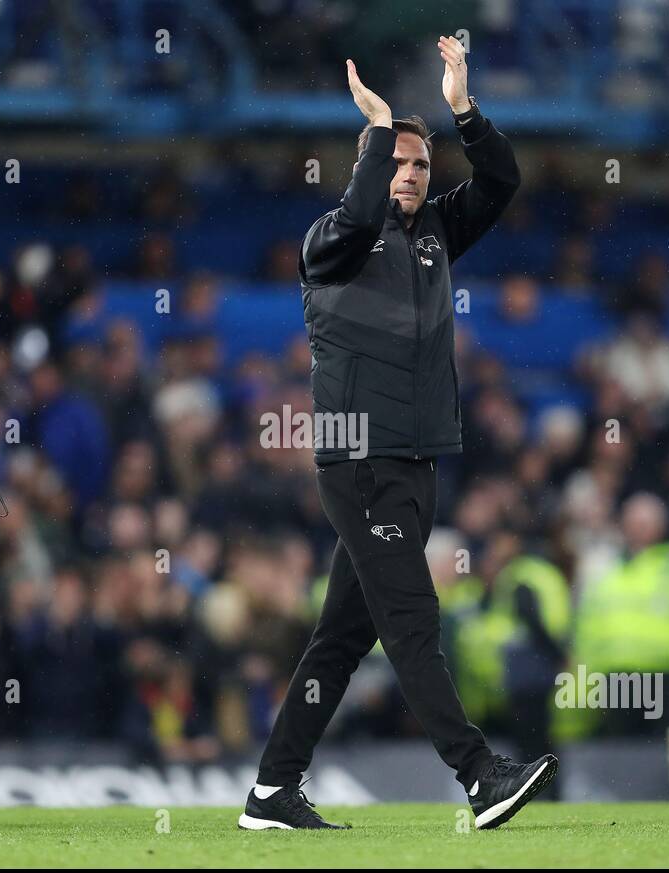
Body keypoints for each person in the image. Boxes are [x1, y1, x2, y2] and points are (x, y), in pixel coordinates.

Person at [239, 38, 557, 831]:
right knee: (413, 619)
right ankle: (480, 777)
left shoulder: (434, 236)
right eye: (396, 162)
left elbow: (504, 180)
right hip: (360, 461)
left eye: (420, 163)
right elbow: (354, 212)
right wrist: (378, 129)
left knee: (343, 638)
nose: (411, 173)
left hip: (415, 462)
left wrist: (464, 106)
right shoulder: (332, 243)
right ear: (371, 168)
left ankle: (272, 792)